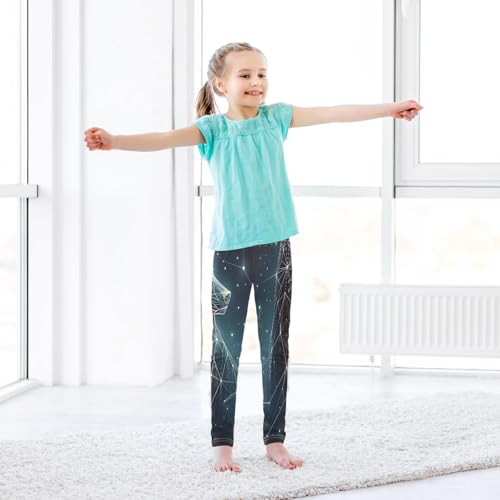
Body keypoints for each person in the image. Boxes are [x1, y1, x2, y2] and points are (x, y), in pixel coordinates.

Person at [83, 41, 423, 474]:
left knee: (274, 347)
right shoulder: (212, 129)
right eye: (245, 75)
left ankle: (274, 440)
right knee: (225, 350)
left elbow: (334, 112)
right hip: (229, 253)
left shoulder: (276, 118)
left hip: (275, 250)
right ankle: (221, 444)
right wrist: (114, 141)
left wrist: (390, 109)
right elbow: (163, 139)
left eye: (261, 74)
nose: (256, 82)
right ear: (221, 84)